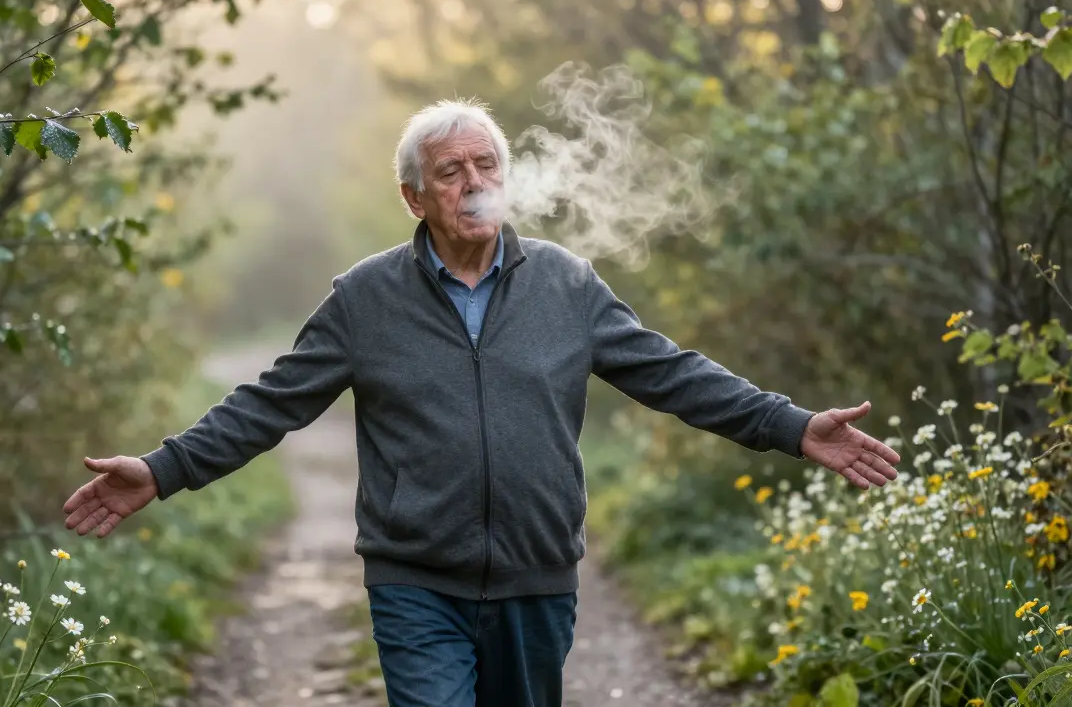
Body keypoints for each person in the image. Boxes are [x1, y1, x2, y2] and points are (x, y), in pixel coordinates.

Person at [61, 98, 901, 707]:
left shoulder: (567, 285)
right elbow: (270, 403)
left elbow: (673, 374)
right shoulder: (364, 300)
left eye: (487, 165)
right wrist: (163, 470)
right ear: (414, 197)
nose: (473, 183)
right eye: (450, 171)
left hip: (538, 578)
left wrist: (792, 425)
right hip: (415, 578)